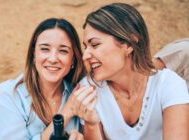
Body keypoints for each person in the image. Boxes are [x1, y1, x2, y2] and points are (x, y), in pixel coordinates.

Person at [72, 3, 189, 140]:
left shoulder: (168, 84)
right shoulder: (89, 91)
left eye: (95, 45)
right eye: (86, 47)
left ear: (129, 44)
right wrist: (91, 124)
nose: (85, 55)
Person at [0, 18, 85, 140]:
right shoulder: (8, 94)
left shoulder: (79, 93)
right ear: (34, 54)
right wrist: (68, 111)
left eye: (63, 51)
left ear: (73, 59)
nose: (53, 59)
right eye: (45, 49)